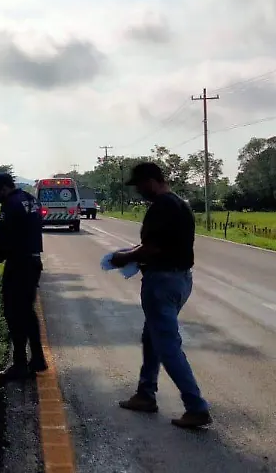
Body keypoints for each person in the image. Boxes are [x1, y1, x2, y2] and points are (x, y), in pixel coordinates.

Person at [110, 162, 212, 428]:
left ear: (151, 180)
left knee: (167, 344)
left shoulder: (161, 207)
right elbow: (161, 243)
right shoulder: (180, 203)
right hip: (180, 279)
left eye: (140, 185)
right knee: (151, 336)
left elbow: (152, 249)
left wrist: (123, 257)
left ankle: (196, 406)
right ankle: (145, 393)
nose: (139, 191)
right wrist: (137, 251)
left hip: (162, 282)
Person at [0, 172, 47, 381]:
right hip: (34, 260)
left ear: (3, 188)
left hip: (19, 263)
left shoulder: (10, 204)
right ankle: (37, 359)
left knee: (14, 313)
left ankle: (19, 364)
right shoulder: (31, 200)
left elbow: (4, 236)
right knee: (27, 311)